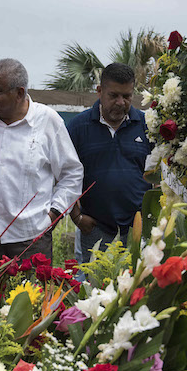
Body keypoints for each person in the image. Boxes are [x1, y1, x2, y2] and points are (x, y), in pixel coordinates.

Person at [0, 59, 83, 277]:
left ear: (19, 93)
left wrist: (53, 215)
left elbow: (72, 173)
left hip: (33, 240)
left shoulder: (47, 121)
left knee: (32, 306)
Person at [66, 63, 152, 263]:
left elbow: (162, 173)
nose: (121, 102)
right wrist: (77, 216)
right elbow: (63, 175)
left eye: (127, 96)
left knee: (136, 288)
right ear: (99, 91)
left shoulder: (148, 126)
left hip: (138, 229)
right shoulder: (78, 127)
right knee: (95, 289)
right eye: (113, 95)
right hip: (95, 229)